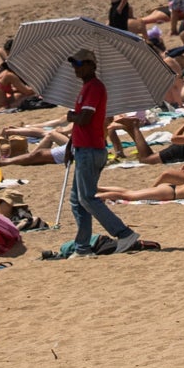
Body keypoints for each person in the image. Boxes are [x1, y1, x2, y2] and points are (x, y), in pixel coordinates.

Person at [57, 47, 142, 257]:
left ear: (90, 65)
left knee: (87, 198)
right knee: (77, 200)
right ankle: (82, 247)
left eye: (79, 64)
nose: (75, 68)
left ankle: (124, 233)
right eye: (73, 64)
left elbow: (85, 119)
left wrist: (71, 117)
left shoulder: (94, 87)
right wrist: (70, 146)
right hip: (83, 149)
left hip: (91, 150)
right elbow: (82, 124)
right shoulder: (86, 88)